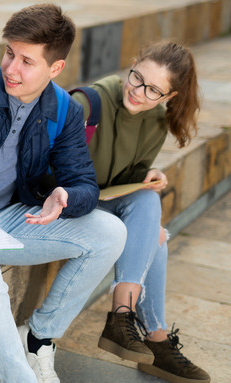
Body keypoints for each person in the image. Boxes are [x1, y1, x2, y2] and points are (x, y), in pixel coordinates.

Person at [0, 4, 127, 383]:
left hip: (1, 220)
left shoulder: (64, 111)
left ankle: (39, 335)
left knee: (111, 232)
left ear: (55, 68)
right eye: (9, 53)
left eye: (27, 61)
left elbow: (84, 184)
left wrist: (65, 194)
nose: (11, 68)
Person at [74, 41, 210, 383]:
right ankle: (139, 329)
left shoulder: (156, 122)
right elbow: (59, 172)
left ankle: (139, 329)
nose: (138, 92)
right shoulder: (88, 103)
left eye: (153, 90)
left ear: (169, 97)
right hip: (64, 202)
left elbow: (120, 178)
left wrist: (146, 178)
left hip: (101, 201)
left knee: (151, 213)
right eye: (136, 78)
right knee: (151, 232)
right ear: (132, 66)